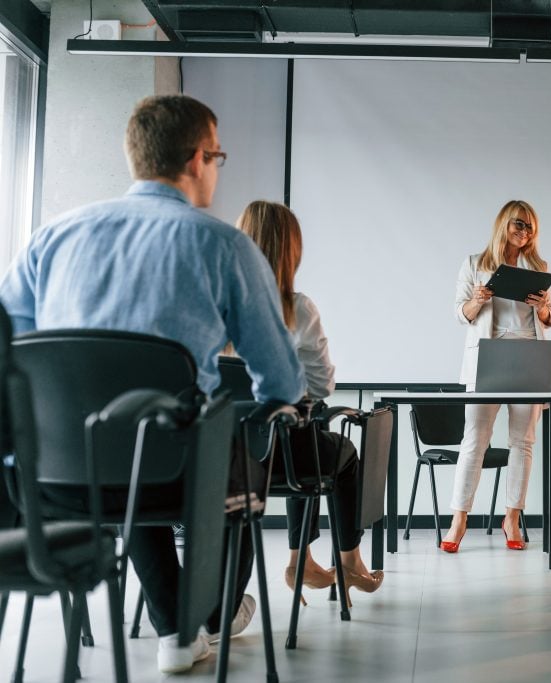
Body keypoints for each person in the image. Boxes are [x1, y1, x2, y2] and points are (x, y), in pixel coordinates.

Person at [0, 95, 305, 675]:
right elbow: (282, 381)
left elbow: (9, 349)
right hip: (177, 470)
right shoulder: (225, 247)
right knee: (209, 446)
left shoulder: (51, 238)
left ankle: (176, 627)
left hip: (58, 478)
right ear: (197, 158)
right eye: (218, 156)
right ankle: (203, 617)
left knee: (126, 449)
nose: (217, 168)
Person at [234, 200, 383, 603]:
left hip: (227, 460)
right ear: (290, 250)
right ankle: (347, 561)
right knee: (338, 450)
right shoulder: (297, 307)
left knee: (304, 432)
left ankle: (303, 562)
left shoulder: (217, 307)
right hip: (287, 459)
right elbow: (321, 385)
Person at [440, 200, 551, 552]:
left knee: (524, 441)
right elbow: (462, 314)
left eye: (530, 228)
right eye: (519, 225)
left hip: (529, 355)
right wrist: (477, 299)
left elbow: (548, 319)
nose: (524, 233)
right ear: (504, 223)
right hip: (487, 356)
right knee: (475, 440)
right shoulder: (475, 264)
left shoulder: (538, 267)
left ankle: (512, 517)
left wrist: (544, 307)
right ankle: (459, 519)